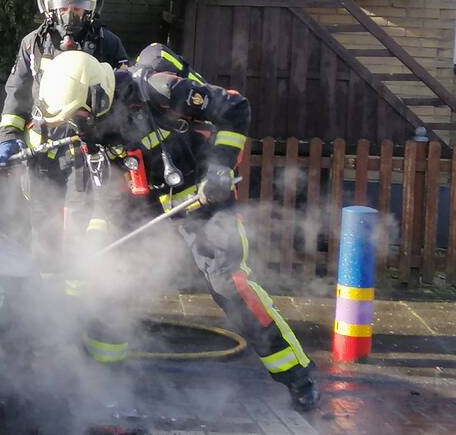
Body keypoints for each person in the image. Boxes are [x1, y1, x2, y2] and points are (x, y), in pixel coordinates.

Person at [33, 49, 321, 411]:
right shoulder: (84, 123)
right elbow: (90, 191)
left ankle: (296, 375)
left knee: (229, 285)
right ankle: (102, 376)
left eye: (78, 114)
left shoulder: (158, 89)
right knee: (108, 281)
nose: (75, 124)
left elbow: (235, 108)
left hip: (198, 196)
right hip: (137, 204)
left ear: (96, 93)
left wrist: (219, 168)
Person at [0, 0, 129, 262]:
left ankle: (78, 294)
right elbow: (17, 91)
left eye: (79, 8)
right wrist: (8, 137)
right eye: (63, 7)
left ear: (92, 9)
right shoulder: (32, 44)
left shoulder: (108, 43)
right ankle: (46, 296)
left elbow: (125, 95)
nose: (71, 15)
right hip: (41, 149)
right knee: (42, 226)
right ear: (48, 8)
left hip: (85, 150)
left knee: (78, 225)